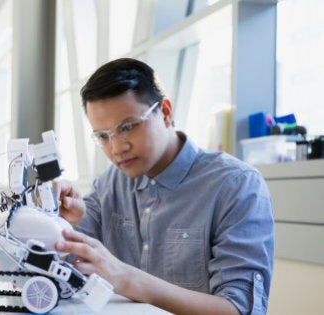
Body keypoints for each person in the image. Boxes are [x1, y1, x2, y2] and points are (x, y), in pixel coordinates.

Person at [53, 58, 274, 315]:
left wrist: (127, 278)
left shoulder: (236, 185)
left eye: (127, 127)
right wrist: (62, 218)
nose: (116, 148)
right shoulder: (110, 183)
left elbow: (239, 309)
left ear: (166, 113)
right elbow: (64, 255)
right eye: (103, 136)